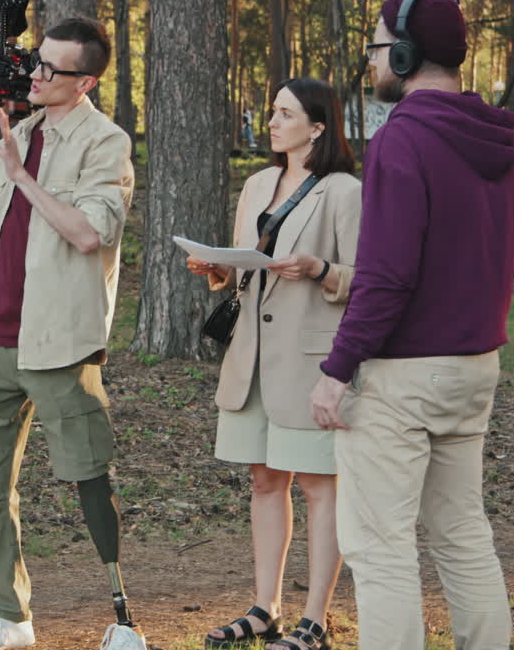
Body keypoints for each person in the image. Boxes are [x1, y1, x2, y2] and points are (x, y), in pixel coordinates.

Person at [309, 0, 514, 650]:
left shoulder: (403, 138)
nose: (372, 61)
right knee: (463, 534)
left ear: (404, 54)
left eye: (377, 48)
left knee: (379, 550)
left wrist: (337, 369)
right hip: (474, 369)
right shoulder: (500, 137)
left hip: (402, 379)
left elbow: (385, 277)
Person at [0, 17, 142, 650]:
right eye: (36, 63)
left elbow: (91, 233)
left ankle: (121, 619)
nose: (35, 74)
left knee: (89, 476)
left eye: (50, 69)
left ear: (84, 81)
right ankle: (7, 617)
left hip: (59, 340)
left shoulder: (104, 142)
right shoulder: (20, 130)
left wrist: (26, 177)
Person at [188, 78, 360, 650]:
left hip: (308, 361)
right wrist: (216, 269)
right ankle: (266, 609)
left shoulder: (343, 191)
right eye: (272, 110)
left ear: (318, 126)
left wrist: (317, 269)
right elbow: (248, 268)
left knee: (316, 484)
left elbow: (365, 281)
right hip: (252, 359)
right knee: (265, 480)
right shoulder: (258, 182)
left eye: (286, 113)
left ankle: (315, 618)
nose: (272, 120)